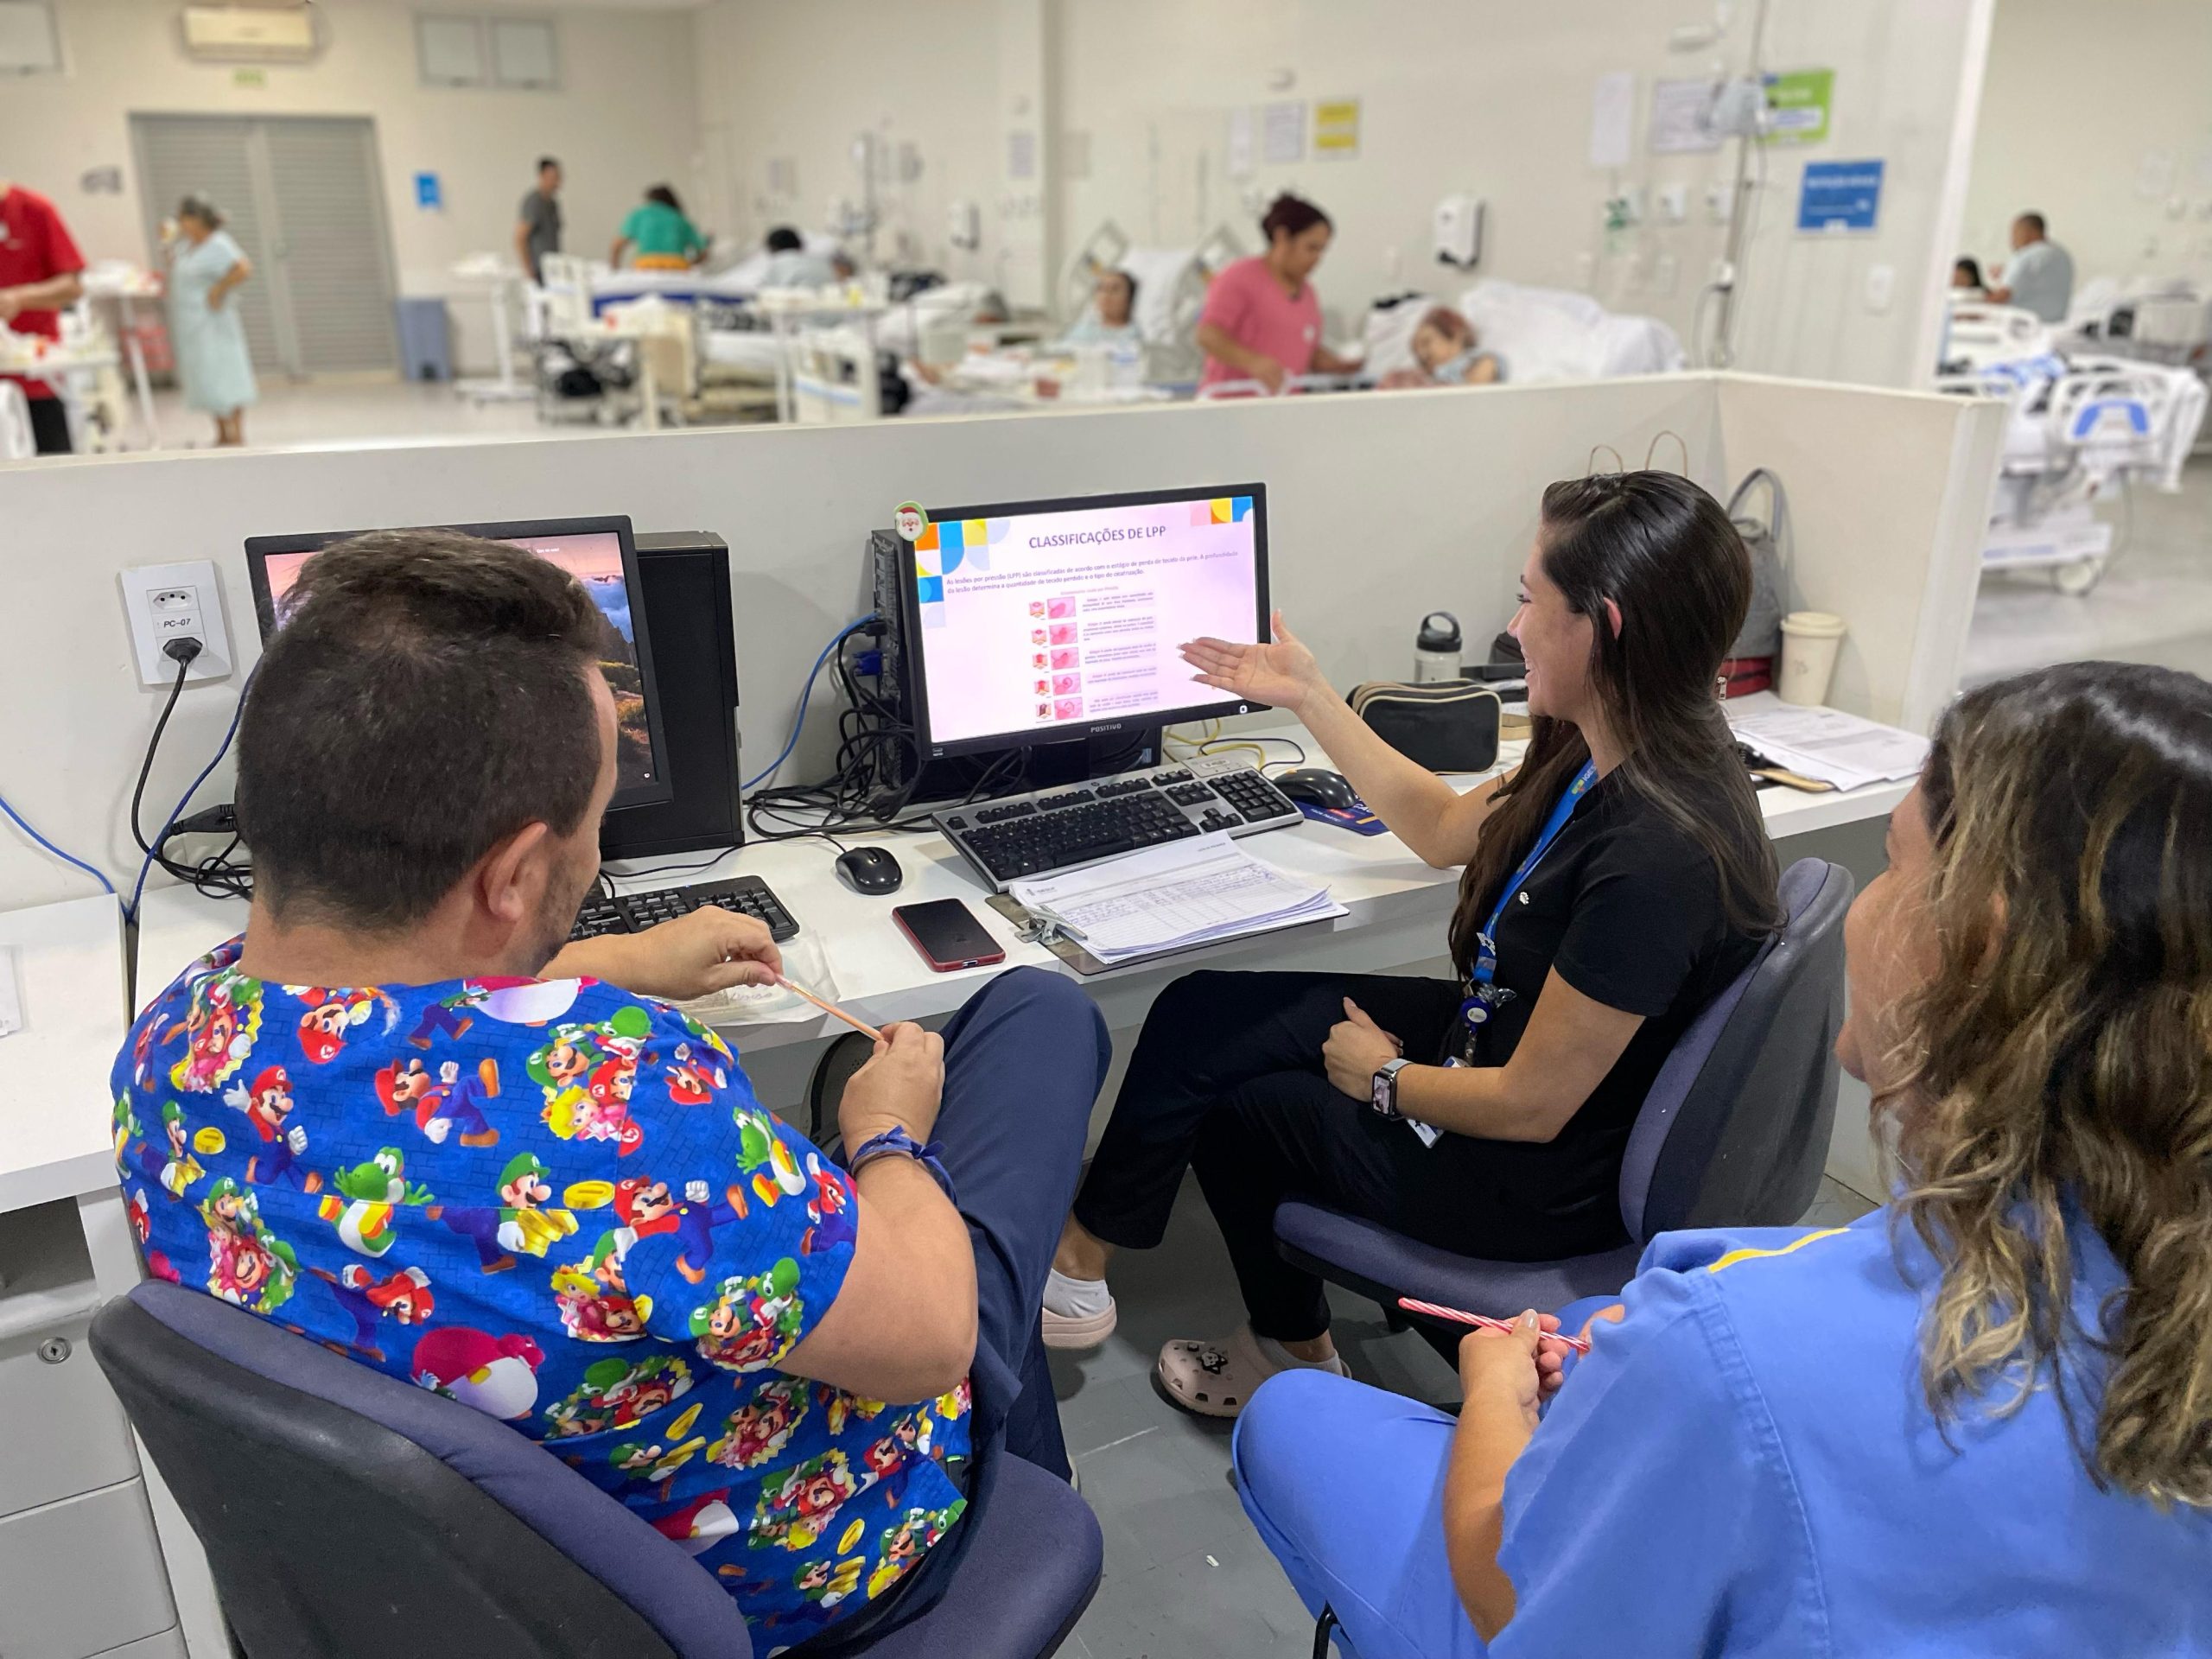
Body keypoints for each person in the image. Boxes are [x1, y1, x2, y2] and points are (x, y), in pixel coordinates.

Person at [115, 531, 1107, 1652]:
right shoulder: (623, 1093)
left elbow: (395, 1018)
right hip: (806, 1573)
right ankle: (1001, 1468)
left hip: (486, 1586)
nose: (594, 865)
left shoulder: (175, 1043)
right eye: (590, 832)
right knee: (1034, 1020)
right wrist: (885, 1137)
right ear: (517, 878)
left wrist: (627, 958)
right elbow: (929, 1339)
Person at [1231, 660, 2212, 1658]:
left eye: (1892, 864)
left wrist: (1490, 1386)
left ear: (1975, 950)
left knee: (1292, 1419)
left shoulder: (1731, 1350)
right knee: (1584, 1325)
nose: (1867, 904)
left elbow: (1518, 1594)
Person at [1043, 472, 1781, 1414]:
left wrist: (1384, 1080)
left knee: (1241, 1108)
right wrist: (1309, 695)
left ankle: (1290, 1350)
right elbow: (1438, 827)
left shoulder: (1657, 852)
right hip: (1501, 1031)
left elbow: (1532, 1105)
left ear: (1604, 625)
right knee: (1205, 1012)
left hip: (1530, 1171)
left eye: (1528, 599)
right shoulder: (1594, 744)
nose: (1511, 629)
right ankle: (1082, 1257)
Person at [1196, 193, 1361, 394]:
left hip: (1281, 408)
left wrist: (1337, 365)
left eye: (1322, 251)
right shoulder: (1239, 278)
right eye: (1311, 248)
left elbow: (1303, 349)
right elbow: (1208, 335)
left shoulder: (1308, 294)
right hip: (1232, 406)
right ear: (1282, 237)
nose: (1317, 259)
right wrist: (1252, 361)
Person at [0, 177, 88, 454]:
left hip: (35, 373)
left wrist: (19, 298)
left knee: (51, 471)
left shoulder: (34, 210)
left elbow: (73, 285)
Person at [161, 195, 257, 448]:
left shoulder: (219, 244)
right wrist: (167, 243)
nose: (180, 223)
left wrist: (218, 289)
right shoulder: (186, 246)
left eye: (184, 218)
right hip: (192, 325)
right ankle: (221, 433)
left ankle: (236, 433)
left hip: (214, 323)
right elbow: (178, 271)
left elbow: (243, 268)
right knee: (206, 376)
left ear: (196, 219)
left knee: (226, 372)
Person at [1381, 305, 1504, 389]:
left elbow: (1473, 395)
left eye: (1426, 342)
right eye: (1415, 351)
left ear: (1456, 333)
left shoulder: (1481, 361)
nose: (1422, 354)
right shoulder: (1420, 374)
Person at [1987, 212, 2074, 323]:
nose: (2012, 240)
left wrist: (1975, 302)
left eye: (2015, 233)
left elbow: (2003, 296)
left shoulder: (2026, 256)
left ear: (2028, 232)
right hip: (2055, 324)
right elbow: (2039, 286)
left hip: (2022, 325)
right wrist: (2006, 272)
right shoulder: (2062, 254)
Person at [611, 184, 708, 271]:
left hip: (646, 265)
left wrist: (614, 269)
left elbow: (617, 245)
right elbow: (703, 252)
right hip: (676, 266)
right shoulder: (680, 218)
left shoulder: (640, 214)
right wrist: (692, 264)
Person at [1056, 268, 1141, 350]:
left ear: (1129, 298)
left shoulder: (1132, 339)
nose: (1106, 295)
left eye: (1114, 289)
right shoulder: (1083, 330)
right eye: (1102, 288)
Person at [514, 156, 562, 284]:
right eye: (553, 177)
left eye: (558, 177)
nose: (557, 182)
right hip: (538, 271)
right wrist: (528, 270)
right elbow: (520, 237)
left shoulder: (552, 203)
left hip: (553, 268)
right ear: (542, 176)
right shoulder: (534, 202)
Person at [761, 226, 837, 289]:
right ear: (799, 244)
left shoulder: (778, 262)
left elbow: (768, 291)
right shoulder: (821, 261)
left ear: (773, 248)